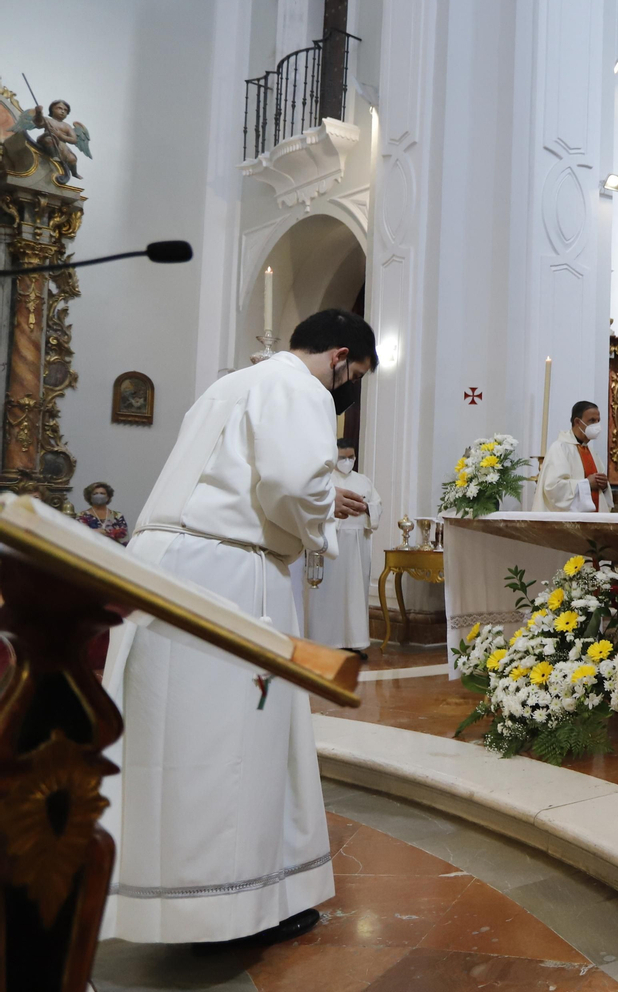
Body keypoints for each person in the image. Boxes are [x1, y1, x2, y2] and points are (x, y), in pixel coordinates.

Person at [100, 308, 376, 948]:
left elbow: (241, 475)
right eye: (352, 376)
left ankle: (166, 900)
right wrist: (321, 515)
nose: (344, 390)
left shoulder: (230, 384)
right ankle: (229, 911)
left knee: (168, 740)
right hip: (228, 576)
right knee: (231, 743)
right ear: (339, 357)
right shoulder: (301, 387)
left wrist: (314, 499)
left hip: (166, 567)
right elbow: (288, 481)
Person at [301, 439, 382, 658]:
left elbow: (377, 506)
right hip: (330, 544)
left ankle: (352, 642)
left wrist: (366, 507)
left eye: (351, 457)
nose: (347, 461)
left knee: (354, 594)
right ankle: (322, 642)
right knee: (327, 595)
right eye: (343, 457)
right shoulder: (325, 480)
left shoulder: (363, 480)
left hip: (357, 546)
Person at [531, 401, 612, 512]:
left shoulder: (591, 452)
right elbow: (553, 488)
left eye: (598, 421)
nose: (597, 425)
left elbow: (601, 490)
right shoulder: (560, 448)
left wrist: (604, 486)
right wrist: (587, 484)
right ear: (577, 422)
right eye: (592, 421)